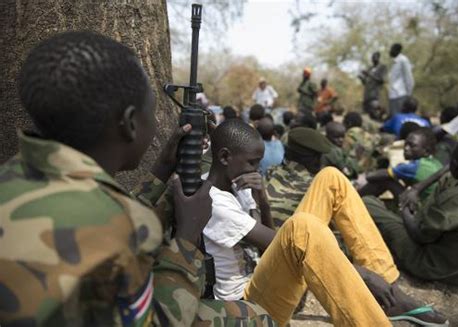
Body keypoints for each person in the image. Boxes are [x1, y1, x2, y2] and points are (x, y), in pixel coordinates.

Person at [0, 31, 275, 326]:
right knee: (255, 318)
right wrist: (186, 239)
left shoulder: (16, 178)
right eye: (152, 114)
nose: (156, 125)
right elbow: (159, 322)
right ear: (131, 123)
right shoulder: (118, 224)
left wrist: (161, 169)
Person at [204, 120, 447, 326]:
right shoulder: (214, 201)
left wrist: (263, 201)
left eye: (258, 163)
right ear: (224, 157)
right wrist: (361, 274)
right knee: (302, 228)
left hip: (266, 277)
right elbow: (280, 241)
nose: (257, 170)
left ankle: (392, 294)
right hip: (248, 309)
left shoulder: (238, 183)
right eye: (252, 163)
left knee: (331, 178)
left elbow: (267, 248)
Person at [364, 136, 458, 286]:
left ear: (454, 164)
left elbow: (420, 236)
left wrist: (404, 209)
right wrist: (416, 189)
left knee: (369, 203)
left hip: (433, 266)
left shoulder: (457, 199)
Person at [360, 128, 443, 201]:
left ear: (426, 151)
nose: (406, 148)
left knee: (386, 180)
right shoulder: (436, 164)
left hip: (418, 212)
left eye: (412, 146)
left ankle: (356, 199)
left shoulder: (414, 167)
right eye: (406, 144)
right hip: (429, 209)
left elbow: (370, 176)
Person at [388, 43, 414, 116]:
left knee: (399, 117)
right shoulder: (394, 62)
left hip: (400, 95)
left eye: (391, 49)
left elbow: (409, 77)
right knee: (394, 118)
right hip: (393, 95)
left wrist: (408, 94)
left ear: (397, 50)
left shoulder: (403, 60)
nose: (390, 51)